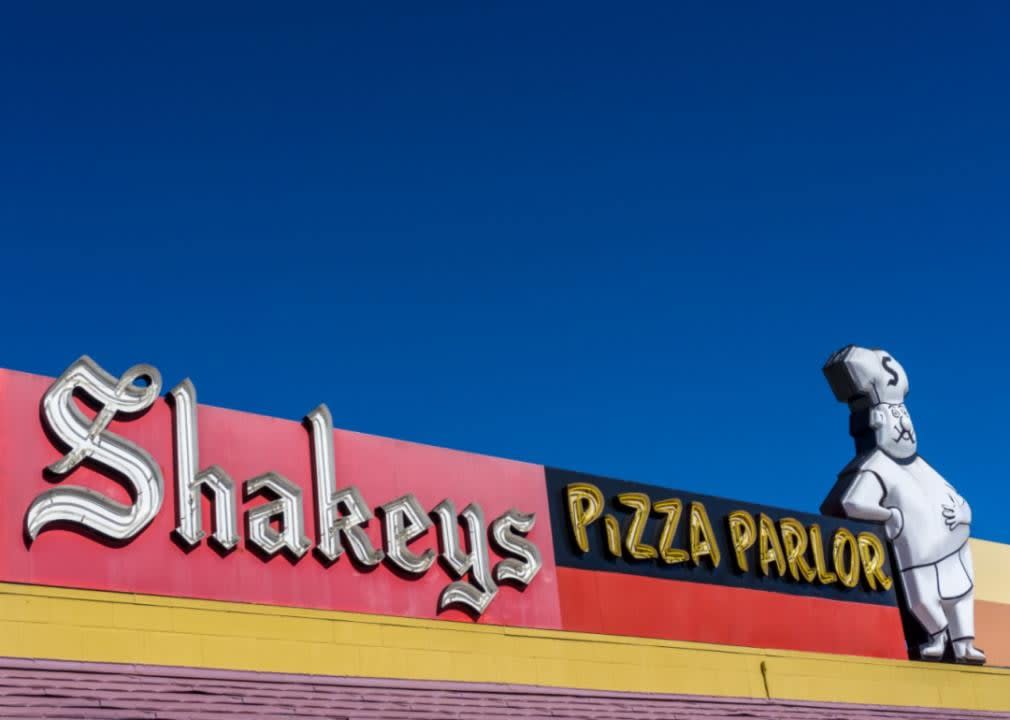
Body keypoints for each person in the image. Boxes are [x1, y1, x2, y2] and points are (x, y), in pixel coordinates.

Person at [821, 345, 985, 664]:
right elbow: (847, 502)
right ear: (874, 422)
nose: (903, 425)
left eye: (904, 415)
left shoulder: (924, 468)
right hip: (918, 558)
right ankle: (936, 637)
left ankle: (963, 644)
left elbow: (963, 502)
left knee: (961, 595)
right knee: (923, 599)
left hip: (955, 554)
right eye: (894, 416)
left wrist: (963, 513)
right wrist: (889, 515)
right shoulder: (877, 465)